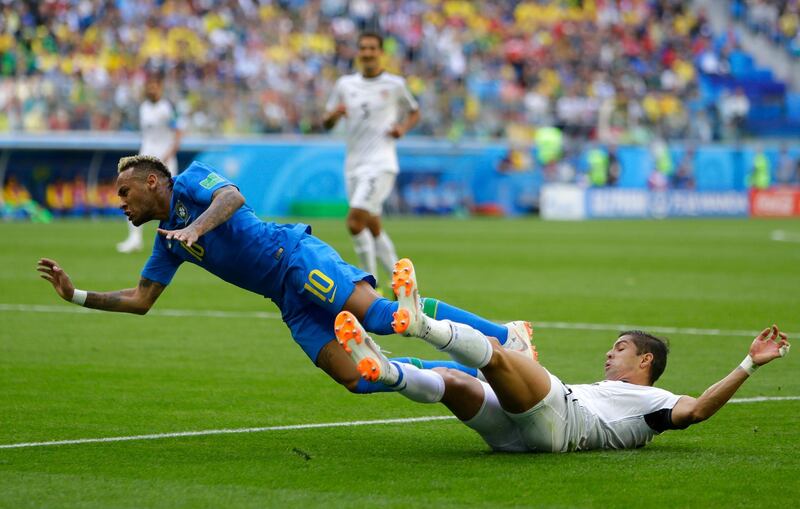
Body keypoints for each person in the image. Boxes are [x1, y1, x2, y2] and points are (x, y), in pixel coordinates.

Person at [38, 156, 534, 395]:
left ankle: (506, 337)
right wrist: (75, 294)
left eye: (125, 194)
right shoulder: (166, 243)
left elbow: (232, 199)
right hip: (286, 298)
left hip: (296, 256)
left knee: (385, 318)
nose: (121, 204)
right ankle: (477, 373)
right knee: (357, 376)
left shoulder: (190, 180)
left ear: (152, 183)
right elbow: (141, 300)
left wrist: (196, 228)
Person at [335, 258, 791, 452]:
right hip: (522, 439)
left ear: (646, 362)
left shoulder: (658, 403)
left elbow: (699, 411)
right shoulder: (611, 390)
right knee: (457, 384)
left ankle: (420, 324)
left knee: (496, 354)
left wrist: (749, 363)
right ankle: (386, 370)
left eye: (620, 348)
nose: (609, 354)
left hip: (565, 420)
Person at [322, 32, 420, 292]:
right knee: (372, 225)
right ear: (358, 52)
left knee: (355, 222)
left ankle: (370, 287)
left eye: (372, 48)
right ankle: (404, 283)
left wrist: (402, 128)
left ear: (380, 53)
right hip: (353, 164)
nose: (367, 53)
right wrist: (334, 115)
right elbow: (326, 121)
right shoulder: (345, 85)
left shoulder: (394, 84)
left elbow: (414, 110)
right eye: (363, 48)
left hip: (381, 162)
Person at [117, 73, 184, 253]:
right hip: (145, 159)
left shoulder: (167, 108)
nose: (151, 89)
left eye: (155, 86)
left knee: (171, 200)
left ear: (160, 87)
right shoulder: (144, 107)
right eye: (149, 86)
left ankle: (174, 238)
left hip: (164, 162)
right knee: (132, 194)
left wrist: (167, 155)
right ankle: (134, 238)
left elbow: (178, 133)